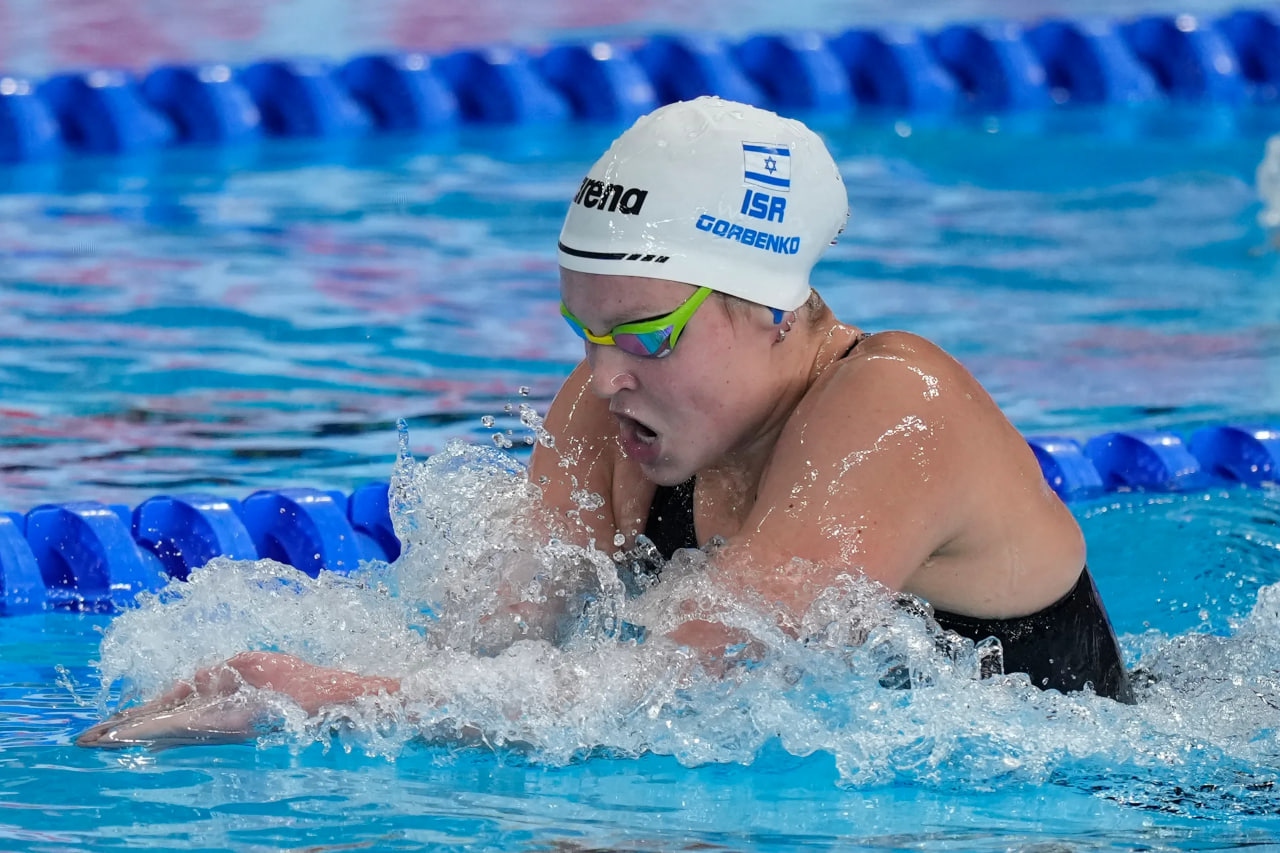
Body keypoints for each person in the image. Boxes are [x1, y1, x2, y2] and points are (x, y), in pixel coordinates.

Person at [78, 97, 1131, 749]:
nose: (601, 375)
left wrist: (307, 691)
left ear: (767, 306)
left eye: (646, 335)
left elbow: (674, 682)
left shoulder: (894, 410)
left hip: (1093, 801)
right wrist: (321, 691)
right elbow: (491, 650)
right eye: (582, 331)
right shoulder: (614, 399)